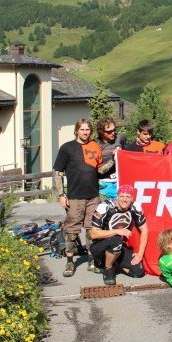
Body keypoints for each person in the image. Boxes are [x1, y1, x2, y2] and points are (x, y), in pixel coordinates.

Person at [53, 118, 102, 277]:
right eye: (82, 129)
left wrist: (116, 158)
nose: (85, 132)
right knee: (72, 232)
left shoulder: (95, 146)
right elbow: (57, 172)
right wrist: (61, 194)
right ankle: (69, 262)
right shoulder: (67, 148)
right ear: (77, 131)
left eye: (88, 130)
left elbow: (100, 170)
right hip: (74, 197)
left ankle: (92, 261)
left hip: (93, 196)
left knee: (91, 231)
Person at [89, 184, 148, 286]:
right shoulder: (104, 207)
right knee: (116, 240)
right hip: (99, 246)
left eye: (128, 197)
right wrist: (117, 231)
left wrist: (140, 254)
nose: (124, 200)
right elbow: (93, 234)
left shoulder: (135, 208)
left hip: (118, 245)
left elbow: (145, 230)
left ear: (132, 198)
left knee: (138, 272)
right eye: (122, 196)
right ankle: (108, 269)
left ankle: (114, 261)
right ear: (117, 196)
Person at [96, 117, 127, 200]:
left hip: (119, 182)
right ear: (101, 132)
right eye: (109, 131)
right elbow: (99, 171)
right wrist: (113, 160)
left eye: (114, 130)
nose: (113, 133)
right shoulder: (95, 144)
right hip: (103, 185)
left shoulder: (121, 138)